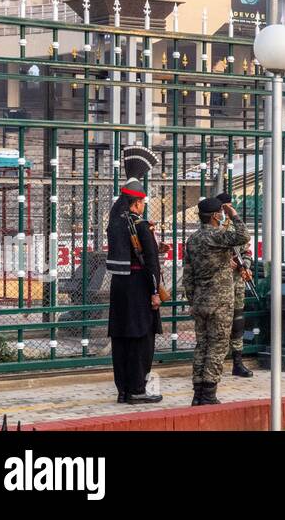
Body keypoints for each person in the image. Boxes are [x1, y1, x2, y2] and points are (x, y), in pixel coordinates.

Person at [106, 145, 164, 405]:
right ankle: (138, 388)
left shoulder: (115, 221)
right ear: (138, 203)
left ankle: (123, 390)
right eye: (142, 202)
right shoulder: (140, 225)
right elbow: (151, 263)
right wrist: (154, 292)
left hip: (120, 285)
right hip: (139, 287)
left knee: (121, 338)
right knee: (141, 339)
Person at [183, 192, 250, 405]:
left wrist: (192, 300)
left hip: (200, 301)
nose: (223, 215)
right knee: (218, 345)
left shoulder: (192, 239)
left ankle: (197, 393)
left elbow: (188, 274)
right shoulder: (216, 235)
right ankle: (209, 393)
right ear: (214, 216)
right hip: (220, 301)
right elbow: (243, 237)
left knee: (201, 345)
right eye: (221, 213)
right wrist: (234, 214)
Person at [228, 200, 255, 378]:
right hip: (218, 286)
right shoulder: (212, 229)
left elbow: (246, 251)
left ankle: (238, 362)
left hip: (237, 282)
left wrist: (244, 266)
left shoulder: (236, 230)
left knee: (238, 322)